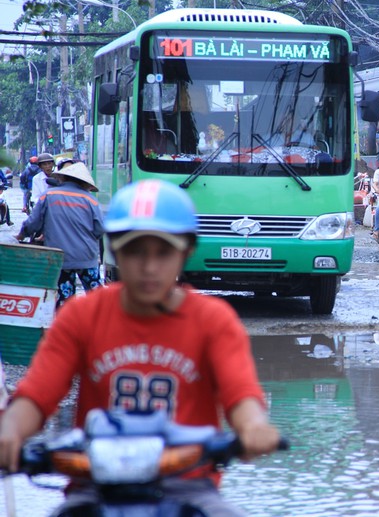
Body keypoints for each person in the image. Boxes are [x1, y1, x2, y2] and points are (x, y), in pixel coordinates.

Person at [0, 179, 282, 516]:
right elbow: (38, 393)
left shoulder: (213, 320)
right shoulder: (82, 314)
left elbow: (241, 395)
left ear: (186, 252)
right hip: (93, 483)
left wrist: (252, 428)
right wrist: (11, 429)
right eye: (135, 251)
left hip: (187, 483)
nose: (149, 267)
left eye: (163, 252)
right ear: (116, 250)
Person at [14, 162, 104, 308]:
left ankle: (68, 328)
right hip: (87, 256)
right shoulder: (90, 200)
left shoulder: (49, 196)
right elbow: (100, 229)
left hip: (60, 258)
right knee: (98, 298)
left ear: (62, 178)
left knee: (65, 301)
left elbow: (33, 223)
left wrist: (21, 234)